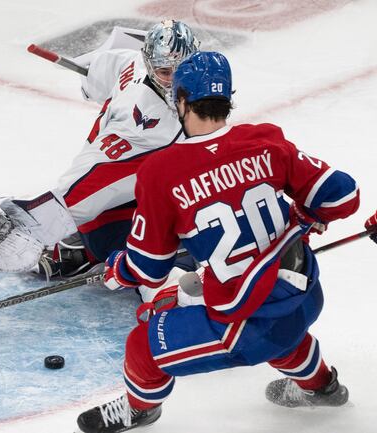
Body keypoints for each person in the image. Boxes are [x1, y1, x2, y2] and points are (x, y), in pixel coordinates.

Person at [76, 51, 360, 433]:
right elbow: (343, 197)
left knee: (143, 345)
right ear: (228, 99)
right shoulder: (266, 140)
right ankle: (323, 388)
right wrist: (310, 216)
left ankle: (140, 410)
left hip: (247, 323)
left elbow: (149, 267)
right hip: (304, 293)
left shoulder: (161, 173)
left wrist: (117, 268)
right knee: (277, 326)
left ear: (180, 100)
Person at [0, 20, 200, 286]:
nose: (175, 81)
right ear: (151, 66)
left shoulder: (129, 61)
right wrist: (34, 222)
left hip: (125, 199)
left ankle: (82, 243)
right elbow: (94, 177)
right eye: (165, 71)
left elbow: (95, 72)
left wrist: (93, 79)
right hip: (109, 215)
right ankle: (88, 246)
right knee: (199, 245)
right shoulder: (147, 124)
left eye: (182, 69)